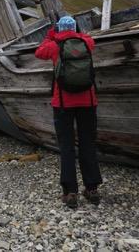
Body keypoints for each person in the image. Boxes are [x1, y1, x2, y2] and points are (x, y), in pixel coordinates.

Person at [35, 16, 102, 208]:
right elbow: (88, 38)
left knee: (66, 146)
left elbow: (38, 52)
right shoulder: (86, 42)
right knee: (88, 143)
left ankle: (70, 192)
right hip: (88, 102)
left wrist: (50, 36)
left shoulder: (54, 45)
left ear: (58, 28)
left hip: (63, 103)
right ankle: (92, 189)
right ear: (74, 27)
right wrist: (76, 33)